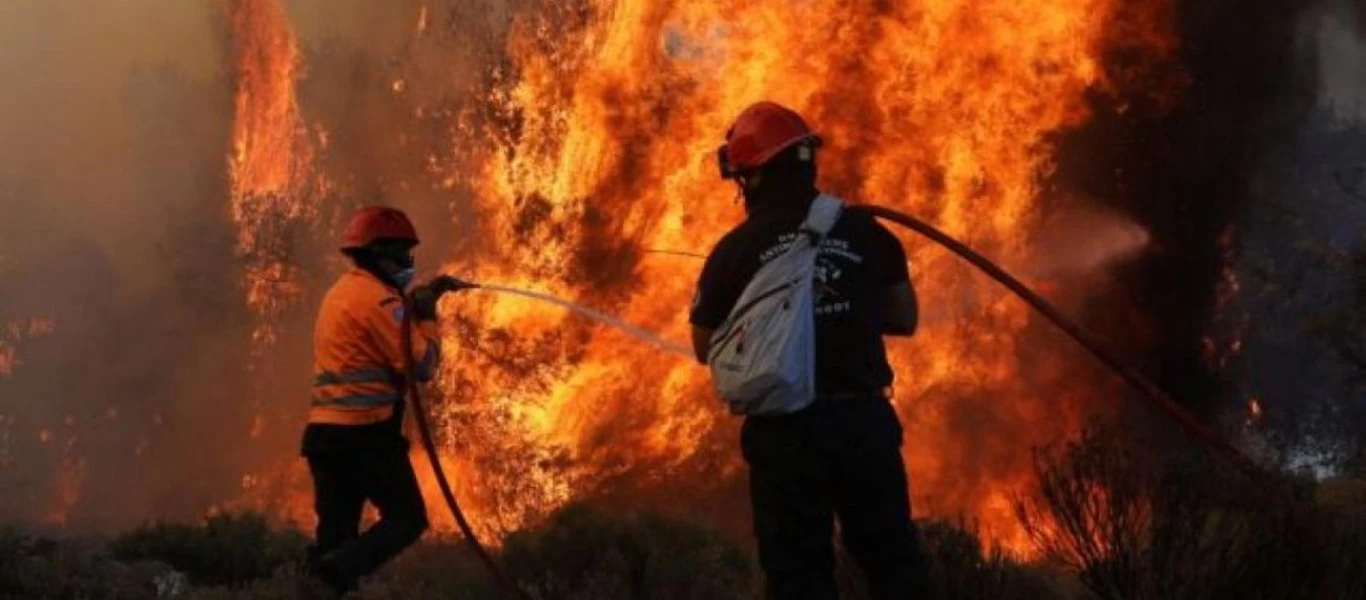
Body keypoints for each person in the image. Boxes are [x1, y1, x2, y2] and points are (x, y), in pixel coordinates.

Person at [690, 102, 928, 599]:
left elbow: (704, 345)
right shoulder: (866, 232)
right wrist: (843, 311)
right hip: (862, 424)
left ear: (750, 177)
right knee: (894, 567)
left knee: (799, 578)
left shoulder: (735, 251)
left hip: (786, 438)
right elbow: (904, 318)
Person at [301, 206, 471, 595]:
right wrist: (427, 317)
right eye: (401, 254)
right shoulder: (379, 303)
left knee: (335, 538)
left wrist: (416, 300)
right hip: (366, 435)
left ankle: (317, 580)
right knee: (407, 519)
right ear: (378, 253)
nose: (407, 262)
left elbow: (378, 332)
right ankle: (335, 572)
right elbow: (422, 364)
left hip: (325, 439)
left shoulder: (342, 293)